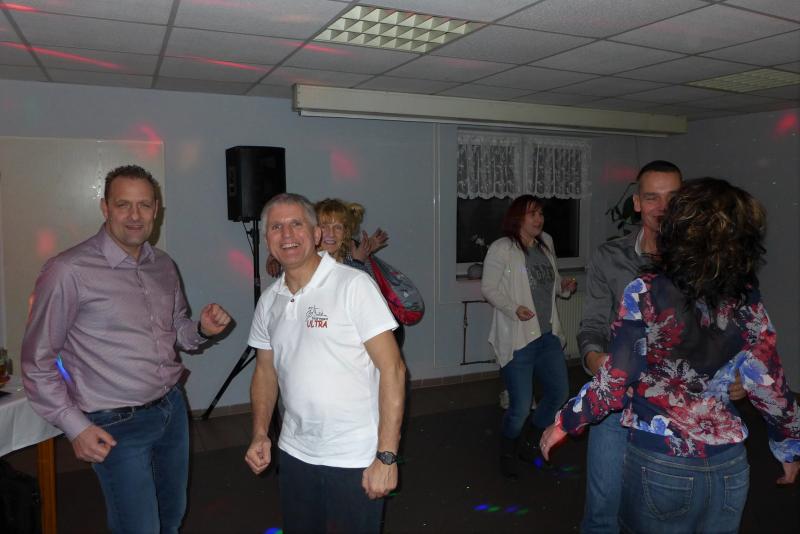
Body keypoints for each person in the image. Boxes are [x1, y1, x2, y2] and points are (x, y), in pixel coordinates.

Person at [542, 178, 800, 533]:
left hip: (663, 464)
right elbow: (771, 387)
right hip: (729, 468)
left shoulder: (646, 291)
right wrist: (789, 447)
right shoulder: (745, 298)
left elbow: (617, 380)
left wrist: (566, 421)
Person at [21, 164, 232, 534]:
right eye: (123, 205)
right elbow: (36, 362)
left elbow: (176, 330)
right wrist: (75, 426)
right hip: (115, 424)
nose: (135, 216)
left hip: (171, 410)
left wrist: (201, 329)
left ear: (156, 210)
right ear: (105, 208)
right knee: (139, 528)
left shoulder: (163, 265)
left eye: (144, 205)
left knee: (171, 518)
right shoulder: (68, 271)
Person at [245, 193, 406, 533]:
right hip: (295, 453)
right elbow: (264, 372)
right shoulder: (269, 301)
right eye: (276, 227)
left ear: (315, 234)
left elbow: (393, 369)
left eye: (296, 224)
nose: (287, 234)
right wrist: (260, 433)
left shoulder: (353, 286)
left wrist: (386, 456)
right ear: (267, 239)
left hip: (355, 455)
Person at [576, 160, 682, 532]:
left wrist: (733, 373)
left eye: (672, 198)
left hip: (677, 406)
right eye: (652, 197)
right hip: (617, 397)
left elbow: (724, 329)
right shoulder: (610, 256)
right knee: (602, 509)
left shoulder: (702, 260)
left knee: (660, 514)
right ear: (637, 203)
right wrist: (595, 359)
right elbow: (592, 324)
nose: (662, 208)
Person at [481, 194, 577, 479]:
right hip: (519, 338)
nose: (539, 219)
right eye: (532, 214)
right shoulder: (502, 248)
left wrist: (564, 286)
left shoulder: (546, 243)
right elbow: (489, 288)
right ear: (518, 217)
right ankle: (507, 452)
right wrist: (513, 308)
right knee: (520, 407)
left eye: (541, 214)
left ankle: (530, 443)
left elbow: (551, 285)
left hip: (548, 335)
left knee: (559, 394)